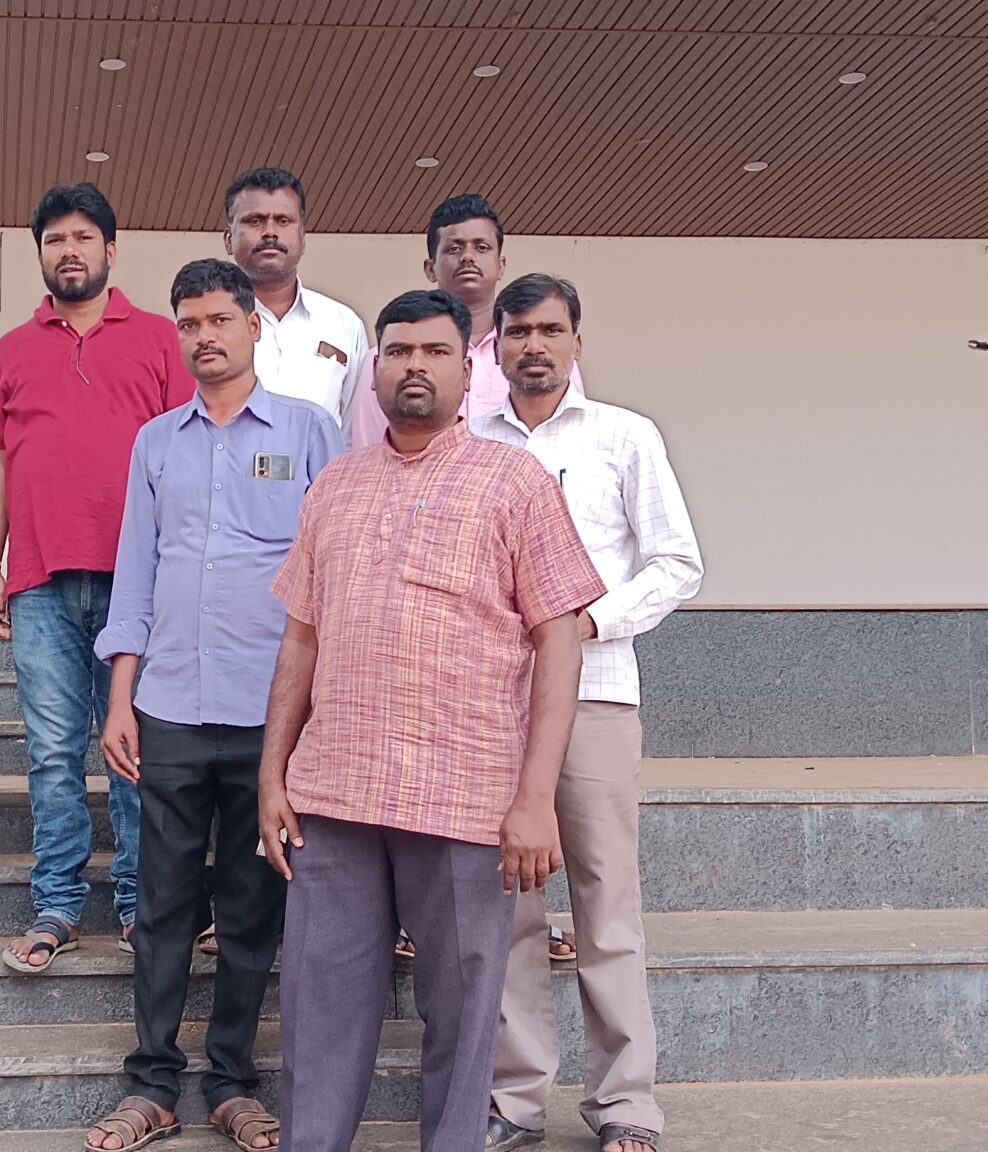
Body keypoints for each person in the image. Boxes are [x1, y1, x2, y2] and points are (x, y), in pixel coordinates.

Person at [262, 290, 604, 1152]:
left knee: (462, 1017)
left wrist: (535, 799)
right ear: (375, 368)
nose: (415, 365)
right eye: (399, 351)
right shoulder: (334, 487)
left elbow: (560, 642)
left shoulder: (515, 483)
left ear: (465, 370)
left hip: (464, 801)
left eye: (436, 351)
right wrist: (272, 776)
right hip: (334, 796)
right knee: (316, 1014)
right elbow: (300, 640)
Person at [80, 260, 343, 1152]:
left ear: (252, 325)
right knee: (161, 904)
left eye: (219, 320)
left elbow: (333, 573)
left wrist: (320, 708)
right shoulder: (157, 442)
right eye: (189, 324)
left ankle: (231, 1080)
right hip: (171, 707)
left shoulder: (309, 432)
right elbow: (136, 572)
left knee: (250, 903)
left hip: (272, 715)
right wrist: (121, 696)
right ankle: (152, 1083)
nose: (204, 337)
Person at [476, 275, 701, 1152]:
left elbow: (677, 563)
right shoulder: (470, 441)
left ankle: (626, 1106)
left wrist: (586, 624)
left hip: (596, 693)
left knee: (606, 906)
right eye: (517, 332)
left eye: (550, 330)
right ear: (495, 346)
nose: (533, 346)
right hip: (494, 705)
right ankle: (514, 1100)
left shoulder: (623, 436)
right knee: (508, 911)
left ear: (576, 341)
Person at [0, 183, 192, 972]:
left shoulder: (161, 339)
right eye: (55, 239)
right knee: (52, 752)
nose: (69, 250)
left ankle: (140, 904)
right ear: (40, 253)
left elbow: (187, 452)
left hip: (141, 585)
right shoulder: (12, 349)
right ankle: (57, 905)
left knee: (137, 749)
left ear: (110, 249)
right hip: (39, 582)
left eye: (83, 237)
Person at [344, 195, 585, 453]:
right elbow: (372, 451)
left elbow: (570, 439)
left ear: (501, 265)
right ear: (430, 268)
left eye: (481, 247)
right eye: (454, 248)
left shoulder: (540, 355)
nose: (468, 257)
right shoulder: (391, 359)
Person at [222, 167, 369, 427]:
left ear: (302, 237)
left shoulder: (343, 323)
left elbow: (353, 429)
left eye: (283, 221)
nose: (270, 232)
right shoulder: (203, 327)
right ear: (228, 239)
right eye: (254, 221)